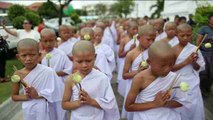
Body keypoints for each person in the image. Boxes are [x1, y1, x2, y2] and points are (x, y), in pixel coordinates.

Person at [125, 41, 188, 120]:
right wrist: (155, 103)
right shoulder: (140, 79)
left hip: (168, 116)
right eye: (163, 66)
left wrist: (165, 103)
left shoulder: (174, 78)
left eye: (171, 64)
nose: (168, 69)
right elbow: (128, 107)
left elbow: (181, 102)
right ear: (149, 62)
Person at [62, 40, 120, 120]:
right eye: (79, 61)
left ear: (95, 57)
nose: (84, 65)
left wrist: (91, 101)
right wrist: (78, 103)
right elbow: (64, 104)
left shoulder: (102, 78)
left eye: (88, 61)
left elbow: (111, 104)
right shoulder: (70, 79)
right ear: (73, 59)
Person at [11, 38, 62, 120]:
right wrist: (29, 96)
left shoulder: (49, 71)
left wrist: (38, 94)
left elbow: (58, 93)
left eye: (32, 55)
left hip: (47, 108)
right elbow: (14, 96)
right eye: (24, 55)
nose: (28, 59)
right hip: (29, 109)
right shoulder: (17, 74)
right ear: (18, 56)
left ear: (39, 55)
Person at [121, 24, 156, 119]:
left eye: (154, 39)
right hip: (134, 85)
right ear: (139, 38)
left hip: (150, 85)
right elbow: (124, 75)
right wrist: (137, 72)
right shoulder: (131, 54)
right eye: (148, 39)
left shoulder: (155, 52)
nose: (151, 43)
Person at [172, 23, 205, 120]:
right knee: (180, 107)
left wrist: (194, 62)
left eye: (188, 35)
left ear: (192, 35)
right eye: (182, 35)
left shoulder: (195, 49)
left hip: (192, 82)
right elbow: (169, 69)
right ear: (176, 35)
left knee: (193, 106)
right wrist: (186, 62)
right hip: (176, 81)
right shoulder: (172, 50)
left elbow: (199, 68)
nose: (185, 38)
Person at [117, 20, 138, 97]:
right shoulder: (124, 40)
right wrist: (129, 50)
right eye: (133, 29)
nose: (135, 31)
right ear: (128, 29)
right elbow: (119, 55)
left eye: (137, 29)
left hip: (136, 65)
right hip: (126, 64)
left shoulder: (140, 39)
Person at [196, 14, 213, 96]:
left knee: (211, 72)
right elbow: (198, 42)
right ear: (209, 20)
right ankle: (202, 89)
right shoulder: (204, 29)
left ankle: (208, 86)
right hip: (205, 54)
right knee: (204, 72)